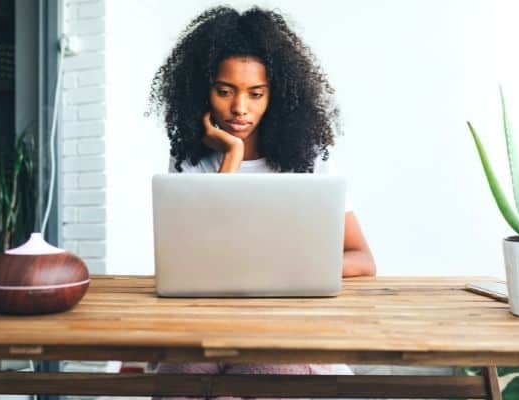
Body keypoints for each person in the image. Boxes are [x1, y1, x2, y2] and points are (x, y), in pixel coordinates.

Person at [147, 5, 376, 399]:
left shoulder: (309, 156)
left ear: (277, 94)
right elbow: (196, 261)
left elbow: (361, 259)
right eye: (225, 91)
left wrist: (284, 270)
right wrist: (232, 155)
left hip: (285, 328)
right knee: (178, 380)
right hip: (207, 326)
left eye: (256, 94)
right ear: (203, 91)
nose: (240, 108)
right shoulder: (189, 159)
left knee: (261, 375)